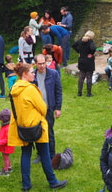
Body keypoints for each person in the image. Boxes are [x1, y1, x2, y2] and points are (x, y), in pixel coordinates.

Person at [8, 62, 68, 191]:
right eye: (31, 71)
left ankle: (26, 184)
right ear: (24, 74)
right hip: (36, 127)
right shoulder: (30, 89)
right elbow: (43, 108)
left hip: (22, 127)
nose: (33, 73)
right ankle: (53, 182)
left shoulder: (14, 88)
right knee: (45, 155)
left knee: (25, 154)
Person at [32, 54, 63, 162]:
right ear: (35, 64)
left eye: (43, 63)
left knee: (49, 132)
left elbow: (58, 91)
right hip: (36, 110)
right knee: (37, 132)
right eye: (39, 64)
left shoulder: (53, 74)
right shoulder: (32, 75)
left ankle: (51, 155)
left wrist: (58, 108)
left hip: (49, 108)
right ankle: (40, 154)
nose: (42, 66)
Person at [72, 30, 96, 97]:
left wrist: (79, 52)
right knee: (89, 77)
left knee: (81, 77)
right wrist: (91, 54)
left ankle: (79, 93)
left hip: (81, 59)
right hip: (89, 61)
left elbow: (73, 45)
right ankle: (89, 93)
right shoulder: (90, 41)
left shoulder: (80, 40)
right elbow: (93, 48)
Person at [0, 109, 15, 176]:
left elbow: (7, 139)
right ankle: (9, 167)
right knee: (6, 157)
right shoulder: (4, 125)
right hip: (5, 146)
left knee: (5, 157)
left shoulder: (8, 128)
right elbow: (1, 133)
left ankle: (5, 171)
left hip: (7, 146)